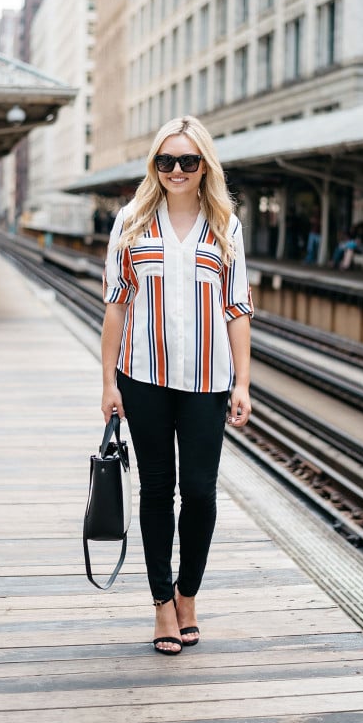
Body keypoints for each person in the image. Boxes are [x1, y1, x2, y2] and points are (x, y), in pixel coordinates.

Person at [101, 116, 253, 656]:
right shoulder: (132, 221)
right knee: (157, 492)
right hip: (143, 378)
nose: (177, 170)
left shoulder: (226, 225)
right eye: (166, 161)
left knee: (201, 494)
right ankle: (162, 604)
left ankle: (189, 592)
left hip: (208, 382)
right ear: (155, 167)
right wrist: (108, 384)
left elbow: (237, 309)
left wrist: (243, 382)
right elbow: (116, 306)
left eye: (189, 161)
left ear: (204, 165)